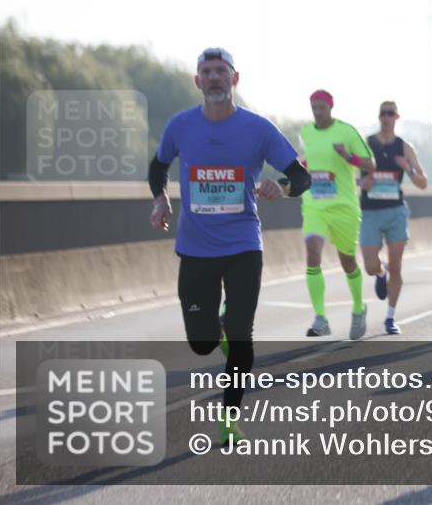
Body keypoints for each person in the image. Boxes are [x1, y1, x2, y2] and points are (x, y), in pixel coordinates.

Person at [148, 47, 311, 447]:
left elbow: (301, 179)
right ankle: (215, 328)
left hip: (242, 246)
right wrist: (160, 198)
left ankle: (229, 417)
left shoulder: (258, 129)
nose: (215, 77)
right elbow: (158, 165)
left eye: (222, 71)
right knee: (202, 344)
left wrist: (282, 187)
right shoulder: (180, 125)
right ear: (198, 81)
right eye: (207, 71)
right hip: (195, 248)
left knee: (241, 334)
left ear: (235, 79)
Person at [298, 90, 375, 339]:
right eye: (314, 107)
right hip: (314, 205)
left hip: (343, 206)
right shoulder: (306, 133)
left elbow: (370, 164)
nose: (317, 112)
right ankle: (320, 318)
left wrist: (347, 156)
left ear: (330, 107)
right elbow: (306, 162)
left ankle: (358, 307)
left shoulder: (347, 131)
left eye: (321, 107)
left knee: (347, 261)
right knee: (312, 254)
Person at [359, 101, 428, 335]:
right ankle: (380, 272)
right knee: (369, 265)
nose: (386, 117)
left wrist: (407, 168)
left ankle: (390, 318)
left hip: (396, 211)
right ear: (379, 116)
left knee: (397, 266)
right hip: (369, 210)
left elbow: (423, 182)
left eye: (390, 113)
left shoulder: (404, 147)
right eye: (382, 113)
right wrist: (361, 182)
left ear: (396, 117)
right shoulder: (366, 144)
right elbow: (348, 176)